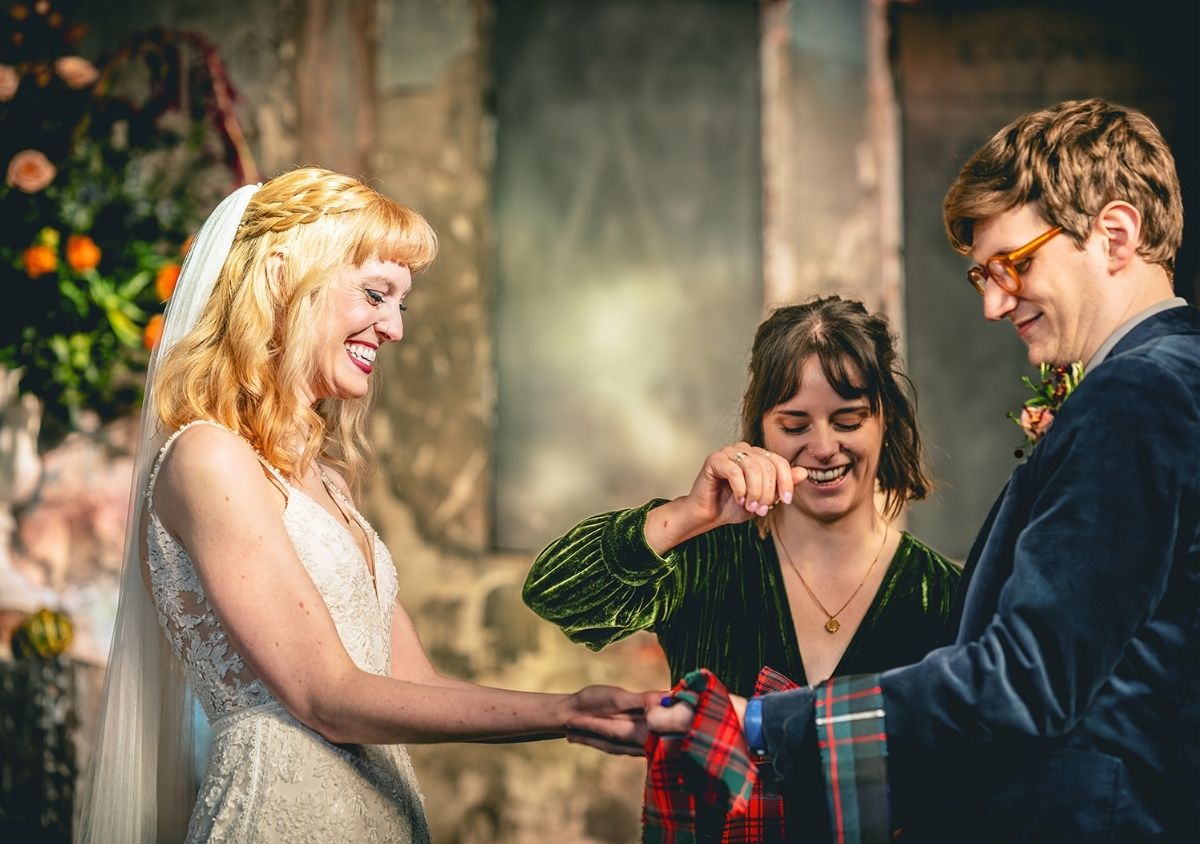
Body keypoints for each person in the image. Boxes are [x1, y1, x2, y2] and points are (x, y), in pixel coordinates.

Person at [648, 98, 1200, 842]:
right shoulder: (1170, 378)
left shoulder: (1136, 392)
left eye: (1014, 264)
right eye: (981, 278)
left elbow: (1024, 679)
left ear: (1115, 234)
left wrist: (759, 719)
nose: (995, 304)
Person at [77, 167, 647, 844]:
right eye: (376, 294)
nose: (395, 329)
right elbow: (328, 697)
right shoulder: (207, 457)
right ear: (285, 280)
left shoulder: (326, 483)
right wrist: (566, 712)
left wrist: (582, 709)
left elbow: (415, 685)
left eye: (401, 304)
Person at [524, 295, 961, 835]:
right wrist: (686, 515)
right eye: (795, 425)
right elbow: (555, 593)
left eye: (848, 420)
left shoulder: (944, 594)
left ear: (885, 422)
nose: (823, 447)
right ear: (761, 430)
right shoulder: (706, 558)